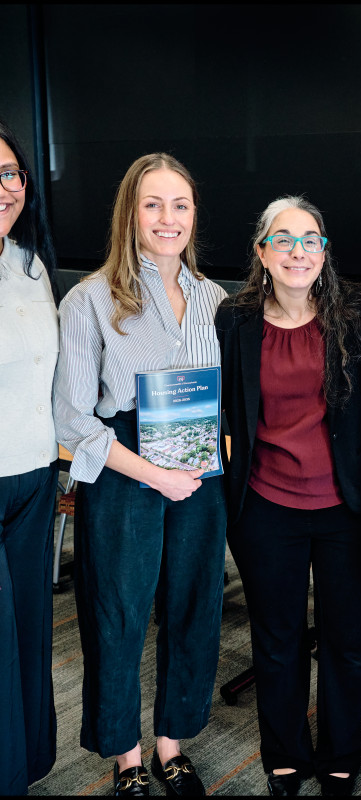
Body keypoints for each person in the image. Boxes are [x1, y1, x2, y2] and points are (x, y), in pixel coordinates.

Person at [53, 153, 228, 797]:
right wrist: (154, 474)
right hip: (124, 465)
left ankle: (170, 743)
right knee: (118, 611)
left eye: (180, 205)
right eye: (152, 204)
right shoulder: (90, 299)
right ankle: (126, 753)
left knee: (194, 605)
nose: (167, 218)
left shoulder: (215, 299)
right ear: (129, 213)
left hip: (199, 468)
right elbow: (73, 417)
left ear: (194, 214)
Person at [215, 196, 361, 797]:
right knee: (277, 639)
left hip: (349, 509)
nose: (298, 251)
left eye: (310, 239)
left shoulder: (356, 312)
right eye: (283, 240)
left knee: (347, 639)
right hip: (265, 508)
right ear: (261, 252)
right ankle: (285, 753)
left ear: (324, 251)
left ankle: (342, 753)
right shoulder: (235, 319)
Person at [0, 120, 60, 796]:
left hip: (35, 475)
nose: (2, 188)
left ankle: (27, 766)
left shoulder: (31, 264)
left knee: (29, 632)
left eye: (9, 174)